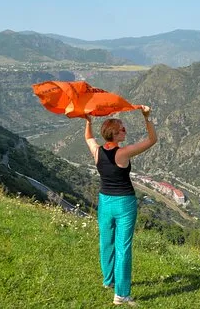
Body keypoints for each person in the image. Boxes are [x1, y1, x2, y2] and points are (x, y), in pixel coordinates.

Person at [84, 105, 157, 306]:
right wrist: (147, 117)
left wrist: (88, 122)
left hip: (104, 201)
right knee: (123, 247)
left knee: (106, 242)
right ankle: (121, 294)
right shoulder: (123, 153)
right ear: (115, 135)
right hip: (124, 203)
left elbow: (89, 138)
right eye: (122, 129)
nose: (125, 130)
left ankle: (108, 280)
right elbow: (152, 140)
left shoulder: (97, 152)